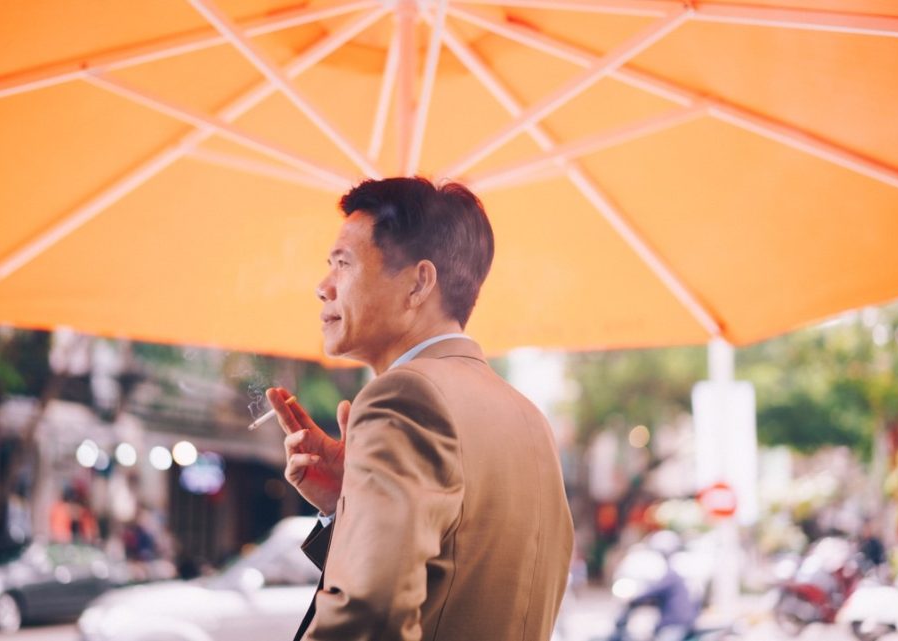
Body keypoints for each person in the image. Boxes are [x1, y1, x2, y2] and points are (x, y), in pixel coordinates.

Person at [266, 177, 574, 641]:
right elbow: (448, 579)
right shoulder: (528, 418)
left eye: (343, 264)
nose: (323, 286)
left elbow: (369, 617)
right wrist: (345, 506)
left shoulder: (404, 396)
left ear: (418, 283)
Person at [613, 532, 698, 641]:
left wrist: (634, 598)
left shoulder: (671, 576)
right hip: (680, 621)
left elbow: (653, 590)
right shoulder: (674, 573)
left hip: (675, 623)